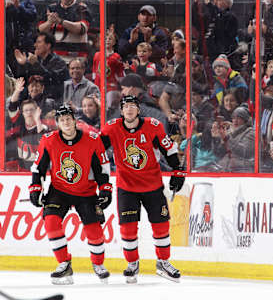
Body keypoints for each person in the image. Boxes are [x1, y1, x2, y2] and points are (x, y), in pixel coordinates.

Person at [100, 95, 186, 283]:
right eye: (126, 106)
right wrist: (100, 181)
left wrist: (178, 171)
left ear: (138, 110)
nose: (129, 109)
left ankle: (163, 262)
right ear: (121, 111)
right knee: (128, 229)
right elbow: (96, 151)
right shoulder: (112, 127)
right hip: (127, 187)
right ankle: (132, 264)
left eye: (133, 106)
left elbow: (169, 149)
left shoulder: (153, 126)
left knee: (161, 226)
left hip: (152, 186)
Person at [29, 105, 112, 284]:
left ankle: (98, 264)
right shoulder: (49, 139)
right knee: (51, 221)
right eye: (62, 120)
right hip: (59, 191)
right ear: (57, 123)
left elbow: (102, 169)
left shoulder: (92, 139)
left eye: (68, 118)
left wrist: (105, 188)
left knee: (94, 230)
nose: (66, 122)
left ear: (75, 120)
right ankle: (64, 264)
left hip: (86, 191)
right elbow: (39, 167)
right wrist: (36, 187)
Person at [38, 0, 92, 64]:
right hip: (55, 58)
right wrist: (49, 22)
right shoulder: (51, 8)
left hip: (77, 58)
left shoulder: (82, 8)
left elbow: (81, 29)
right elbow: (40, 30)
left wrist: (61, 21)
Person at [14, 32, 69, 102]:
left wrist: (35, 64)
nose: (35, 45)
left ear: (48, 45)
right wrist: (23, 64)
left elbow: (51, 78)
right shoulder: (36, 60)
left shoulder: (59, 62)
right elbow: (23, 80)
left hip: (52, 100)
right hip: (33, 98)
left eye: (39, 42)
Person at [6, 0, 37, 74]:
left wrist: (19, 6)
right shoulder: (3, 0)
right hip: (7, 44)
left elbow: (33, 16)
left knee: (23, 72)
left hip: (23, 42)